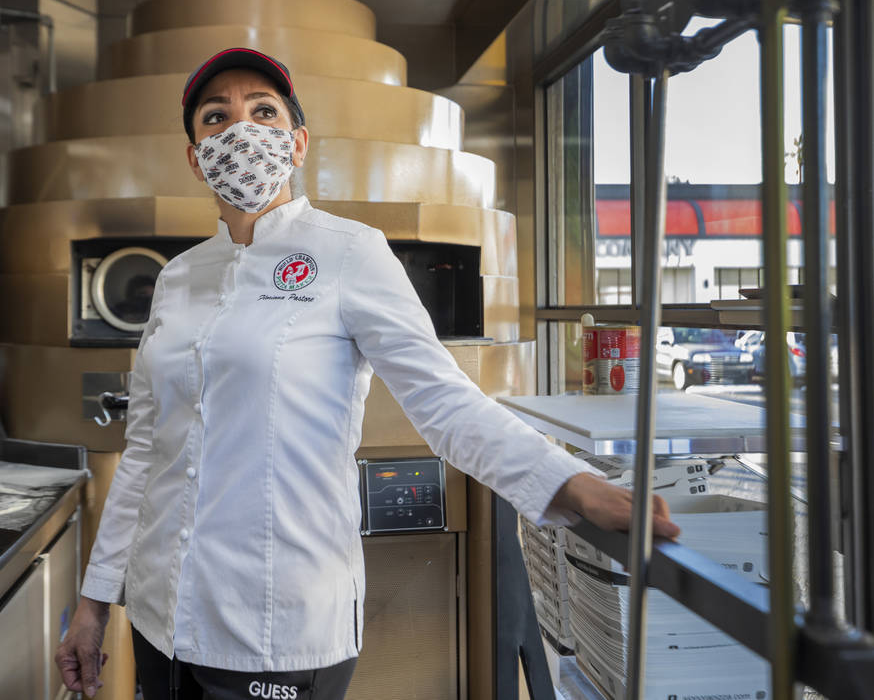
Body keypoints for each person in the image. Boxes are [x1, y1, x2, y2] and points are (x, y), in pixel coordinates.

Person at [55, 48, 681, 700]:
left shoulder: (349, 252)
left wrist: (571, 483)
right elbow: (146, 454)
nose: (239, 130)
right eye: (216, 117)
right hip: (163, 620)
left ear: (296, 144)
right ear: (195, 156)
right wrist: (97, 606)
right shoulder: (177, 278)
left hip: (277, 627)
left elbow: (444, 402)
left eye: (262, 111)